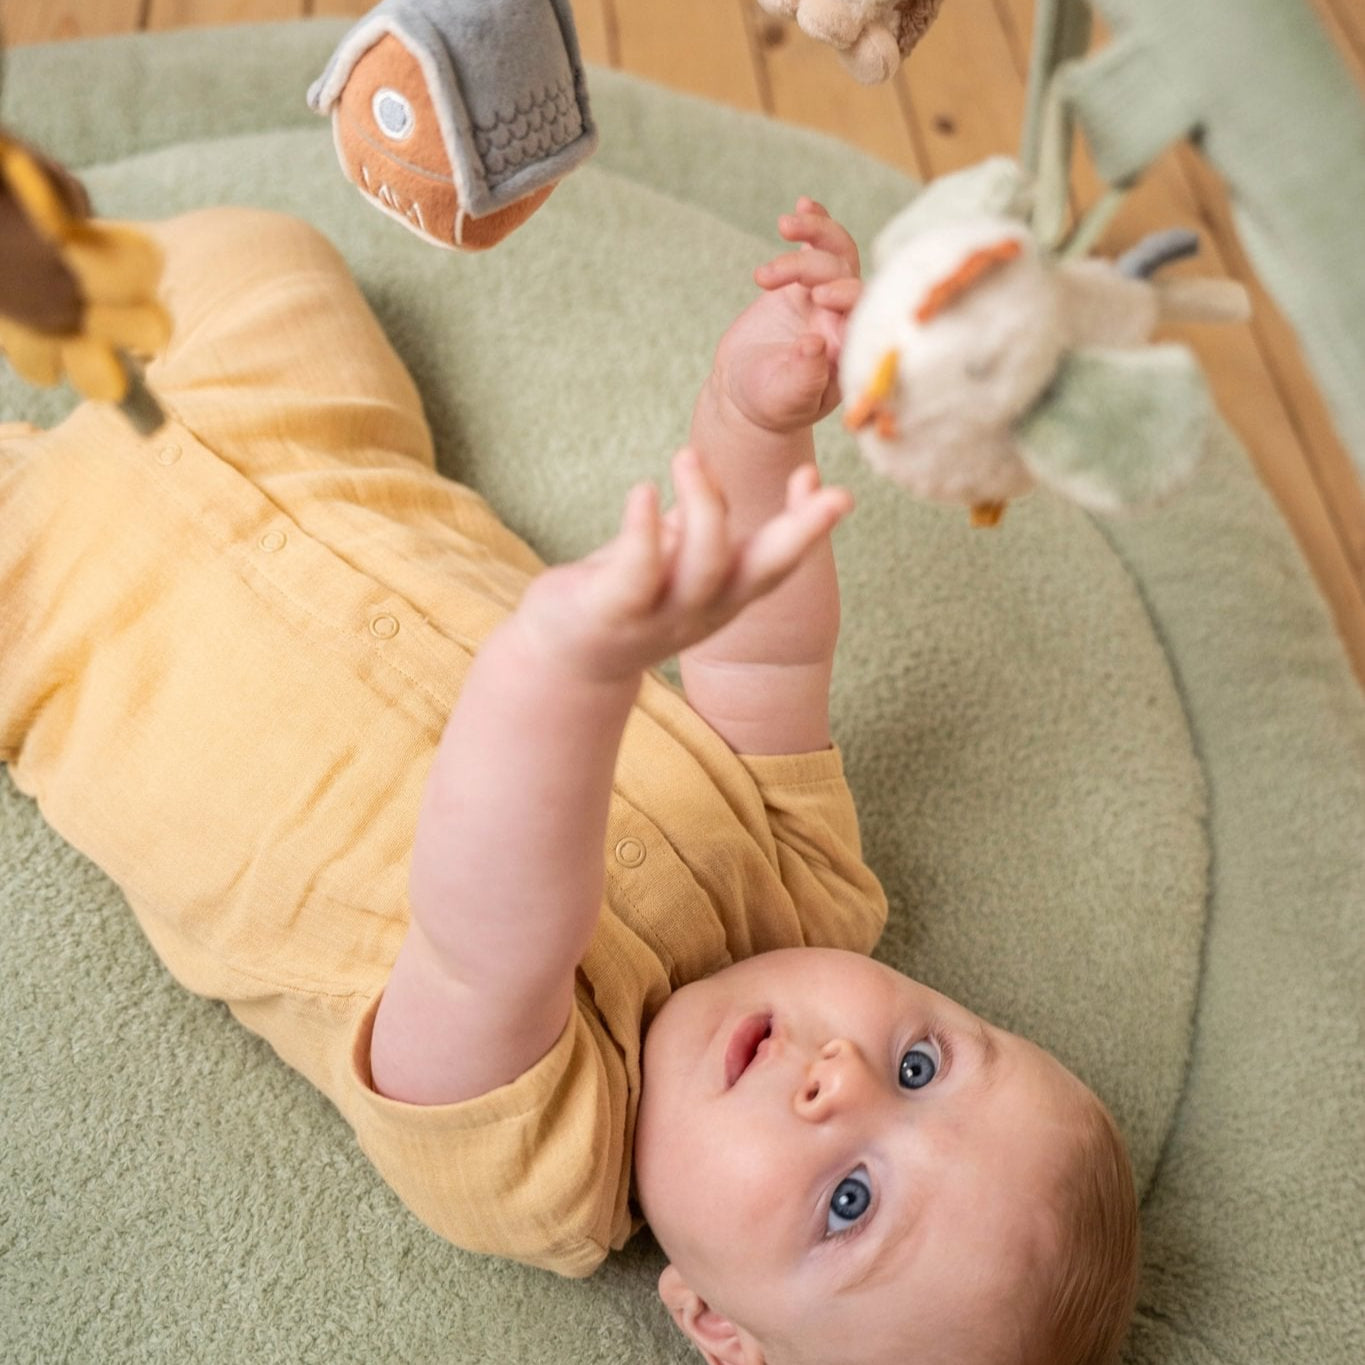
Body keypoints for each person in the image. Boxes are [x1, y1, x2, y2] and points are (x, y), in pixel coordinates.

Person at [0, 199, 1138, 1364]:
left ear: (715, 1320)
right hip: (314, 451)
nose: (841, 1082)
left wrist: (568, 670)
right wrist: (754, 420)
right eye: (919, 1064)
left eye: (848, 1200)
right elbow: (765, 646)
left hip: (64, 628)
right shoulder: (814, 895)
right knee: (268, 263)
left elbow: (484, 933)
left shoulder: (543, 1170)